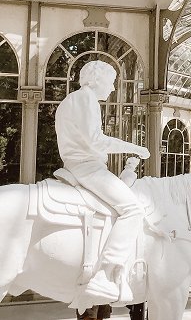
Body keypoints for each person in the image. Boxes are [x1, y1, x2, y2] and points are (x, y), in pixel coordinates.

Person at [55, 60, 151, 304]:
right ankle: (105, 276)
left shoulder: (71, 101)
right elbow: (96, 141)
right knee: (133, 210)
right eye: (110, 82)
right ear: (95, 79)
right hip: (87, 168)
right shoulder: (85, 99)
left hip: (77, 165)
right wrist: (136, 148)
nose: (112, 88)